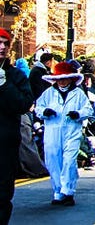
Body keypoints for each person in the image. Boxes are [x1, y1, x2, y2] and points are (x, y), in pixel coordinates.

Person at [35, 60, 93, 206]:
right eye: (58, 78)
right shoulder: (48, 93)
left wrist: (78, 114)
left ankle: (68, 191)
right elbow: (38, 108)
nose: (61, 81)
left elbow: (88, 110)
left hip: (72, 131)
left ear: (71, 78)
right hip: (52, 131)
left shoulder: (78, 94)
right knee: (53, 160)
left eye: (64, 78)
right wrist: (44, 112)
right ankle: (58, 191)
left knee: (68, 161)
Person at [0, 27, 33, 224]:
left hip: (5, 146)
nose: (2, 47)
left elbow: (23, 104)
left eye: (6, 44)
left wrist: (4, 85)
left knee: (2, 196)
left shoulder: (16, 76)